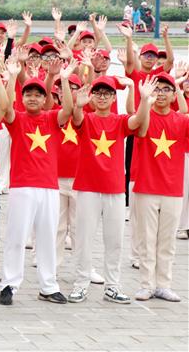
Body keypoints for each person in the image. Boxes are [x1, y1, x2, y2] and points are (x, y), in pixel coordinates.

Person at [68, 75, 155, 304]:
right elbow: (76, 119)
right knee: (84, 238)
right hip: (87, 187)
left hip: (115, 189)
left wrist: (144, 99)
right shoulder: (87, 119)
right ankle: (81, 284)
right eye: (98, 93)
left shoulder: (119, 120)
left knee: (115, 240)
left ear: (114, 97)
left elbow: (138, 121)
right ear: (92, 97)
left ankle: (112, 286)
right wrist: (78, 105)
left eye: (107, 93)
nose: (102, 97)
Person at [0, 59, 75, 306]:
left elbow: (69, 110)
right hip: (22, 186)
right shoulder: (17, 119)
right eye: (28, 94)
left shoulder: (52, 118)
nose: (32, 98)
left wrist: (64, 79)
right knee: (17, 236)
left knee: (47, 237)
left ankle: (48, 285)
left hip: (49, 187)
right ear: (22, 98)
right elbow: (5, 107)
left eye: (38, 95)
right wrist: (12, 77)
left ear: (45, 99)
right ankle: (9, 284)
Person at [132, 73, 189, 302]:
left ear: (174, 95)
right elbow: (141, 129)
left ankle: (163, 285)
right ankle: (146, 285)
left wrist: (180, 88)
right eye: (157, 89)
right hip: (146, 187)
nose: (161, 94)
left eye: (166, 89)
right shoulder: (144, 116)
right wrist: (145, 100)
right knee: (146, 239)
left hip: (173, 189)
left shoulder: (182, 121)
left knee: (167, 241)